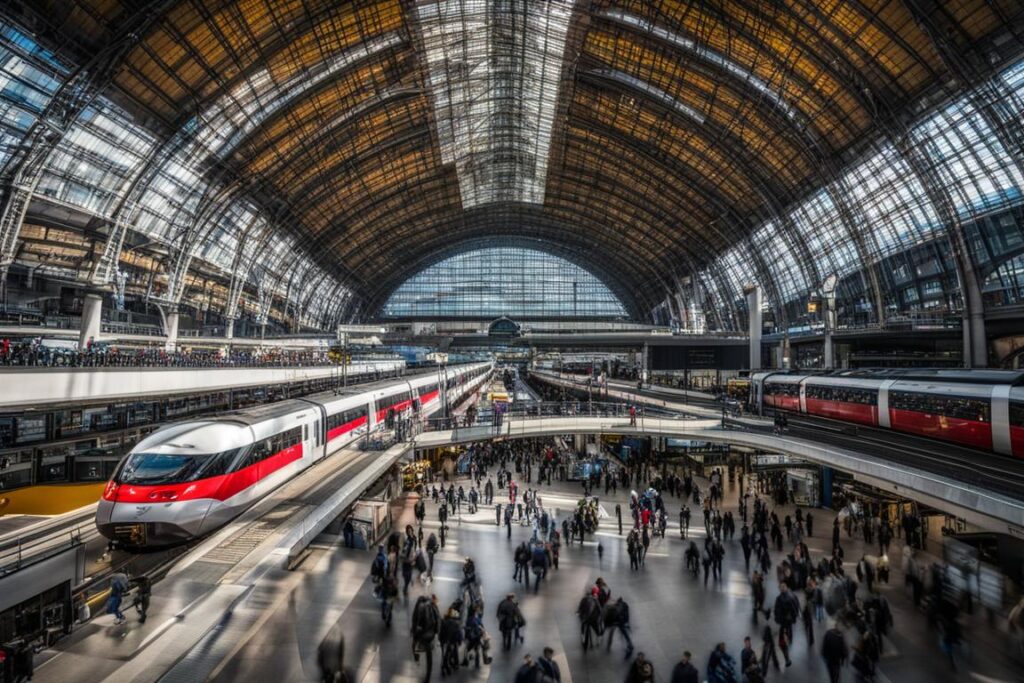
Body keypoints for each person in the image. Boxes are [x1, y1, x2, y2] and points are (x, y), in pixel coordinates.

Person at [412, 594, 441, 681]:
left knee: (414, 645)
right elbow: (438, 618)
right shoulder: (432, 606)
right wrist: (436, 631)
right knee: (429, 656)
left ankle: (417, 659)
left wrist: (415, 632)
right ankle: (428, 674)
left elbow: (415, 620)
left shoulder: (419, 607)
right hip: (431, 633)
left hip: (422, 633)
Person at [439, 606, 463, 676]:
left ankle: (445, 666)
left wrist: (441, 641)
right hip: (451, 642)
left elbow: (441, 632)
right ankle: (451, 665)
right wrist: (459, 641)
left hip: (444, 641)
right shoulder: (456, 624)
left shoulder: (444, 621)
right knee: (451, 652)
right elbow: (458, 634)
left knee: (445, 654)